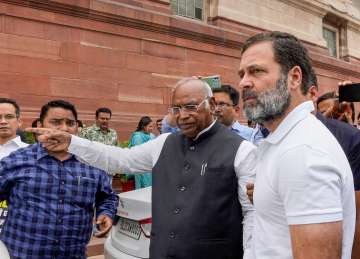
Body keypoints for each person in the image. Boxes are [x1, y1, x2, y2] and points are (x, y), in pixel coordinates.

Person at [29, 78, 256, 259]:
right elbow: (118, 159)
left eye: (190, 106)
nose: (183, 115)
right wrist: (72, 142)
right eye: (176, 108)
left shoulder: (241, 150)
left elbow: (252, 214)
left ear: (212, 105)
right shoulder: (163, 143)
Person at [239, 31, 355, 258]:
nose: (244, 82)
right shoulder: (288, 141)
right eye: (241, 74)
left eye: (256, 71)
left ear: (294, 77)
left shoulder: (303, 151)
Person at [0, 100, 118, 259]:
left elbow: (107, 196)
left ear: (77, 127)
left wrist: (106, 213)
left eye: (70, 123)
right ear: (41, 124)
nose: (64, 128)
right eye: (56, 122)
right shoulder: (17, 160)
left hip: (73, 254)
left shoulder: (92, 163)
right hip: (23, 252)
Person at [0, 98, 28, 234]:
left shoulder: (32, 152)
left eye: (9, 117)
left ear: (19, 121)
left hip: (19, 222)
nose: (3, 121)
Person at [127, 116, 154, 189]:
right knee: (142, 187)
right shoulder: (137, 137)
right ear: (143, 126)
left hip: (150, 166)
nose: (152, 128)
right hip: (141, 167)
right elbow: (138, 154)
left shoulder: (151, 136)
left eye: (152, 126)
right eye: (150, 126)